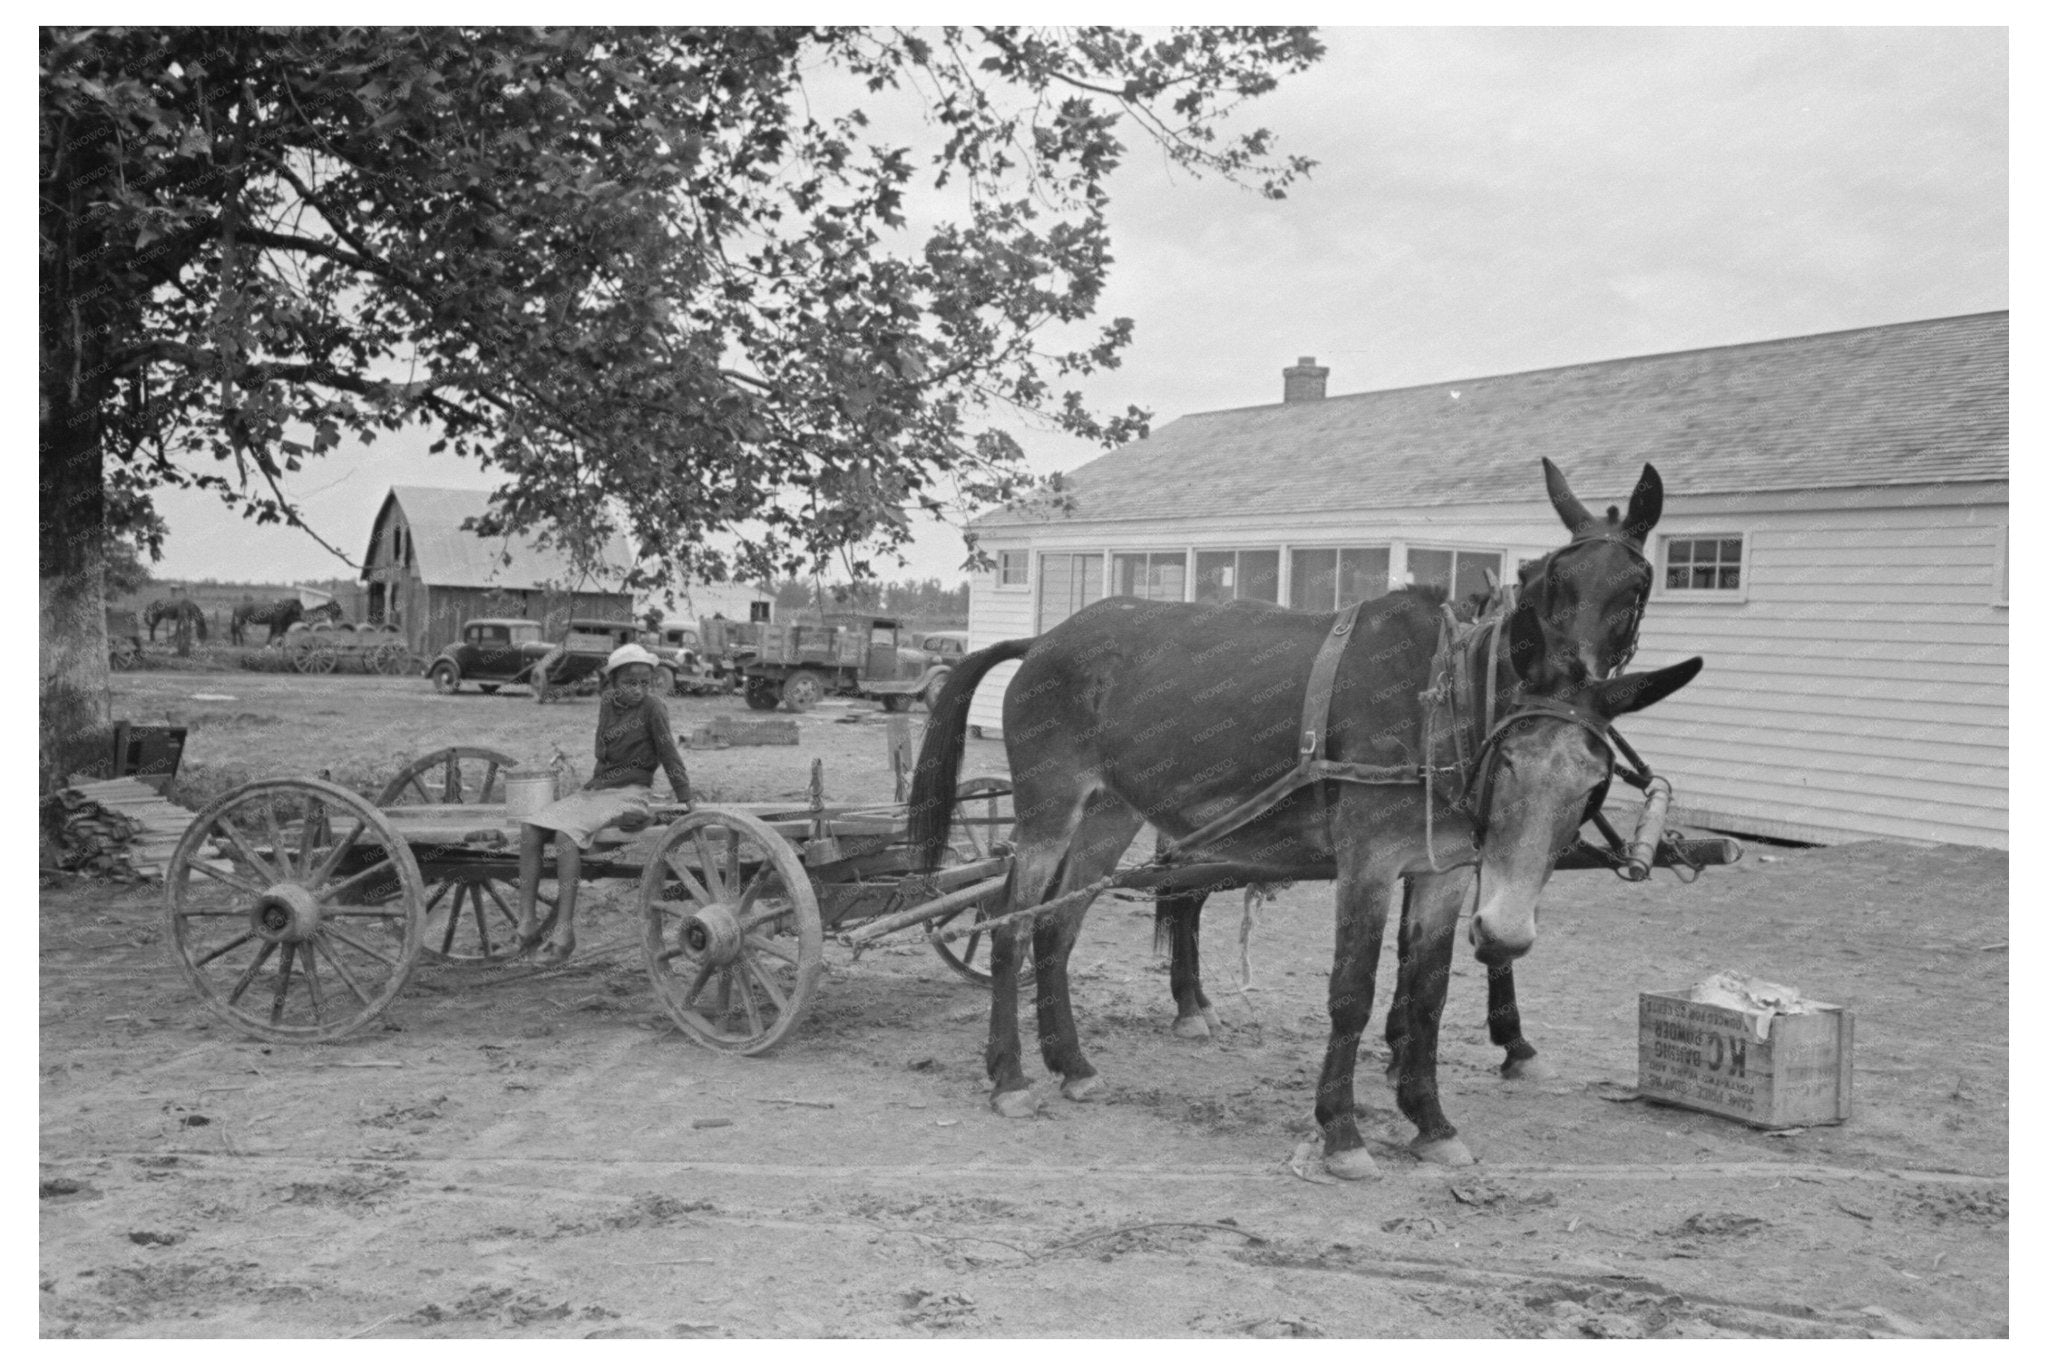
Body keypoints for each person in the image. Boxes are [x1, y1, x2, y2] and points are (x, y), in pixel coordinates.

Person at [515, 643, 693, 963]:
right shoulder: (607, 702)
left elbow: (669, 753)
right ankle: (527, 922)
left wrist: (685, 798)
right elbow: (604, 754)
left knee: (565, 836)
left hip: (631, 794)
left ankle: (564, 934)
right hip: (597, 791)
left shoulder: (654, 708)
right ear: (613, 682)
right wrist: (588, 793)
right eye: (630, 682)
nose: (638, 689)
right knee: (530, 827)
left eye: (645, 683)